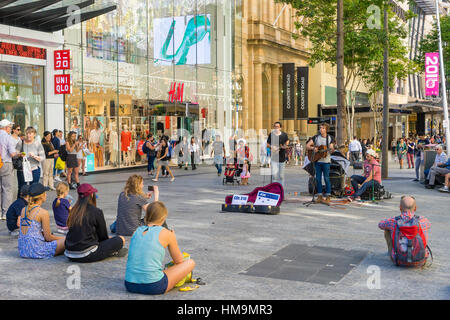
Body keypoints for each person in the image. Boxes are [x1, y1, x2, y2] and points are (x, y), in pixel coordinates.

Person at [124, 201, 196, 295]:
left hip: (130, 284)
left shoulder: (136, 231)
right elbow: (179, 261)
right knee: (190, 263)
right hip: (154, 286)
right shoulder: (167, 233)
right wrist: (173, 238)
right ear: (163, 218)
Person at [64, 184, 127, 263]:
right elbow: (103, 237)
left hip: (69, 253)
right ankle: (112, 252)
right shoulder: (96, 211)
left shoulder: (73, 210)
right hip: (86, 254)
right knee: (120, 239)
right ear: (92, 195)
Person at [378, 196, 431, 267]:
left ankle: (392, 253)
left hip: (399, 261)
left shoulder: (394, 221)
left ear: (400, 208)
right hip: (421, 261)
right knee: (423, 230)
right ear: (415, 208)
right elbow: (429, 225)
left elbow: (380, 225)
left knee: (387, 229)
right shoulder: (423, 220)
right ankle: (419, 254)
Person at [18, 183, 65, 259]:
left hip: (23, 250)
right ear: (42, 196)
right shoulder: (43, 212)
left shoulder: (24, 209)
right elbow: (48, 238)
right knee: (67, 241)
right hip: (37, 250)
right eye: (45, 193)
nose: (46, 195)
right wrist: (63, 238)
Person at [306, 123, 335, 205]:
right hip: (317, 161)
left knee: (326, 178)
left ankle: (328, 196)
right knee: (318, 178)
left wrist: (332, 149)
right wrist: (313, 148)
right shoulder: (315, 137)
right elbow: (307, 146)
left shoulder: (330, 138)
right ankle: (319, 196)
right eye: (320, 128)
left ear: (326, 129)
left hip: (326, 161)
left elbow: (331, 148)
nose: (321, 129)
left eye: (323, 128)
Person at [0, 119, 23, 220]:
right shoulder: (7, 137)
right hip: (6, 163)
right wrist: (19, 154)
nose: (10, 129)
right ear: (6, 128)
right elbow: (13, 154)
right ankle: (5, 213)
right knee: (7, 189)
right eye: (9, 127)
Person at [16, 126, 45, 194]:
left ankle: (33, 203)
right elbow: (15, 155)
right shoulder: (21, 142)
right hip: (22, 169)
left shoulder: (37, 143)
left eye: (30, 133)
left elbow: (43, 157)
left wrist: (34, 156)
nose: (28, 135)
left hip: (34, 169)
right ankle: (21, 204)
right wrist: (20, 154)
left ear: (34, 134)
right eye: (27, 133)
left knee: (34, 188)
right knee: (21, 188)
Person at [267, 122, 289, 189]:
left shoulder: (284, 135)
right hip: (274, 157)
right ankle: (274, 190)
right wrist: (272, 147)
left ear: (280, 128)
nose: (276, 128)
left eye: (277, 126)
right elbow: (267, 144)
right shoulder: (271, 134)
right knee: (274, 175)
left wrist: (285, 145)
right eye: (275, 126)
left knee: (281, 176)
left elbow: (287, 141)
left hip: (282, 157)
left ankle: (281, 190)